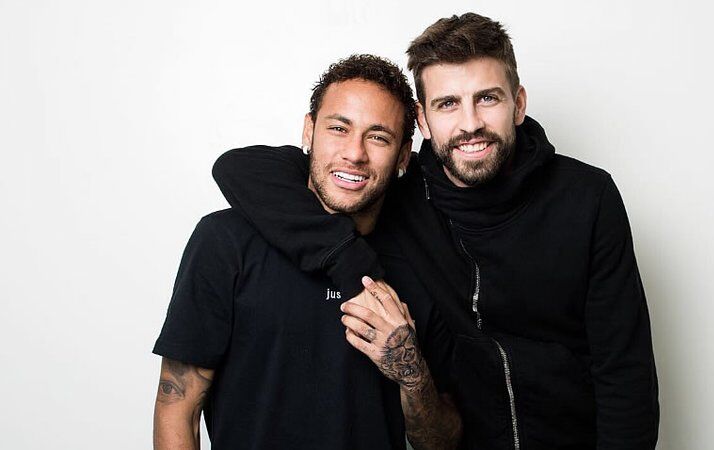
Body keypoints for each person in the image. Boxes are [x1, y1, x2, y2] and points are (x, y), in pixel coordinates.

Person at [213, 13, 660, 450]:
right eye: (447, 104)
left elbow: (624, 372)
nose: (470, 124)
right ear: (423, 120)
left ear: (518, 104)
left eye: (488, 98)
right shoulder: (401, 194)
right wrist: (348, 260)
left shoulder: (586, 197)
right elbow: (243, 168)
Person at [152, 54, 461, 450]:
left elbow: (444, 442)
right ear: (309, 131)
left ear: (403, 156)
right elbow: (177, 407)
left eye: (378, 137)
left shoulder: (422, 258)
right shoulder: (226, 240)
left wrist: (411, 372)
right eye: (338, 128)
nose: (354, 153)